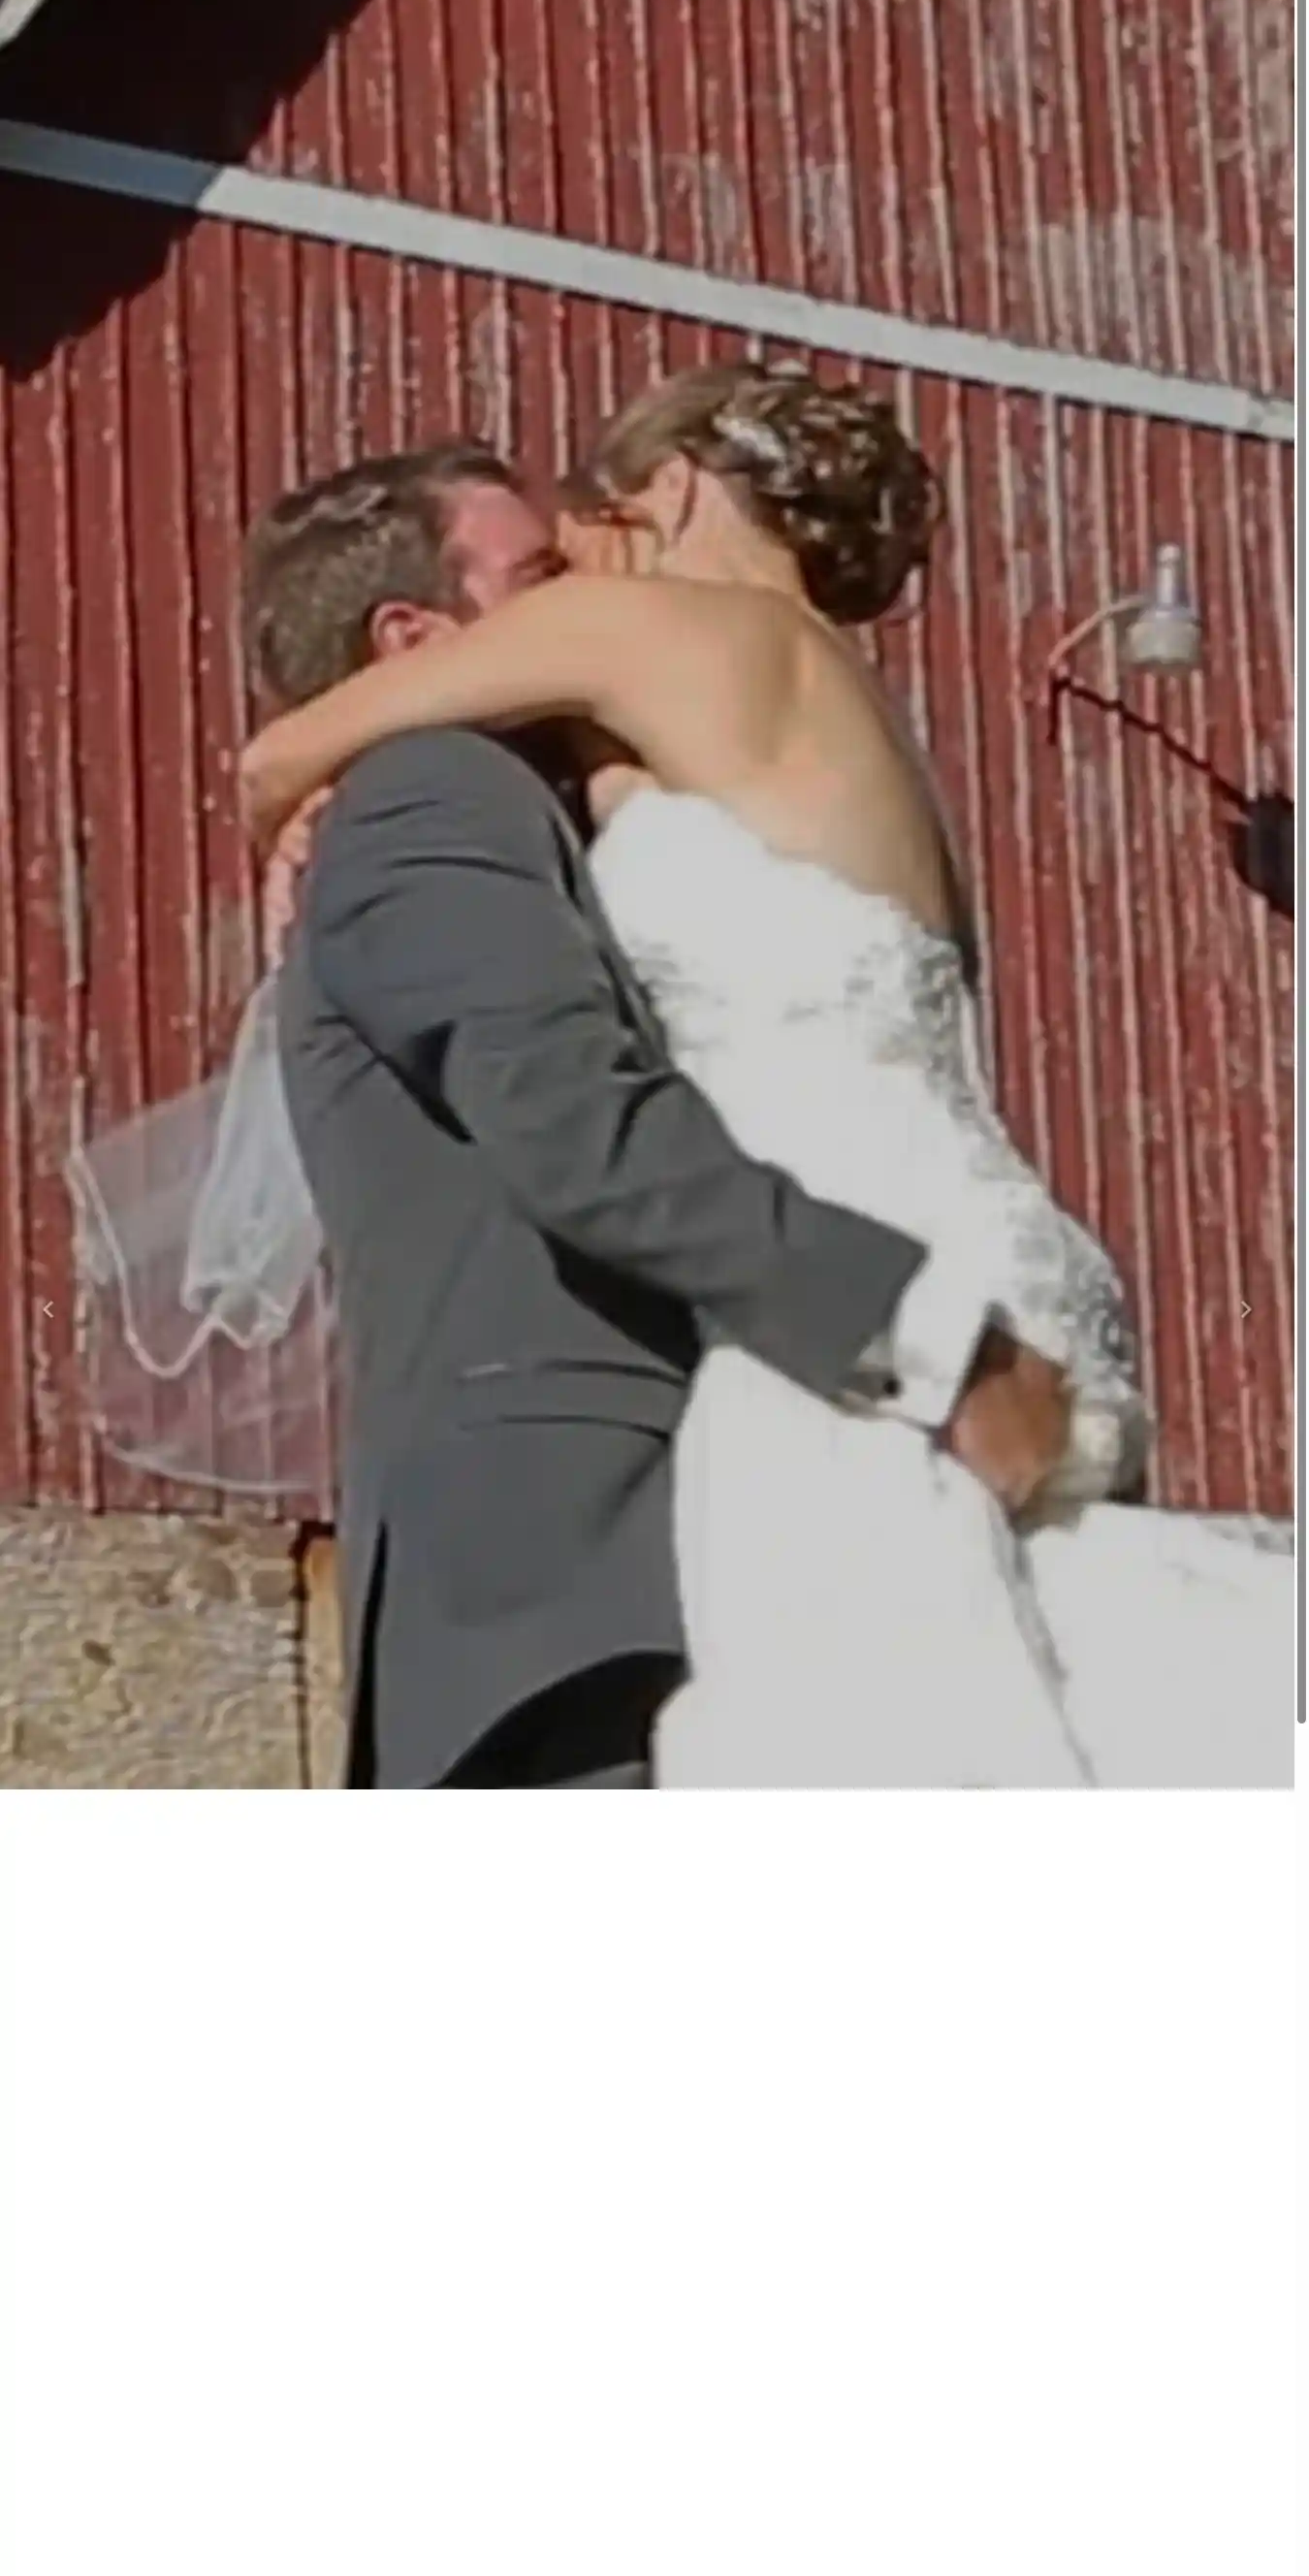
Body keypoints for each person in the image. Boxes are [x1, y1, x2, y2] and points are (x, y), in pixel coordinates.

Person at [239, 368, 1293, 1788]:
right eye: (544, 569)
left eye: (588, 533)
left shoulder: (650, 648)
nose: (577, 572)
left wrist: (286, 788)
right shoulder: (805, 721)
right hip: (962, 1252)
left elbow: (278, 752)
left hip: (866, 1309)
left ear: (674, 490)